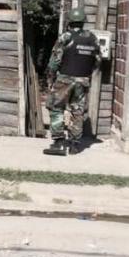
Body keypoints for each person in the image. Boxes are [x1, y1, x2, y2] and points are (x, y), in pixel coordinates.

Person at [43, 9, 101, 156]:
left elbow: (55, 60)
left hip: (64, 79)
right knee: (78, 111)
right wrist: (86, 75)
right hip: (83, 80)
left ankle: (58, 142)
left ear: (70, 21)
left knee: (56, 108)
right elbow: (97, 61)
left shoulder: (66, 37)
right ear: (83, 21)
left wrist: (50, 78)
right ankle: (75, 145)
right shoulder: (92, 38)